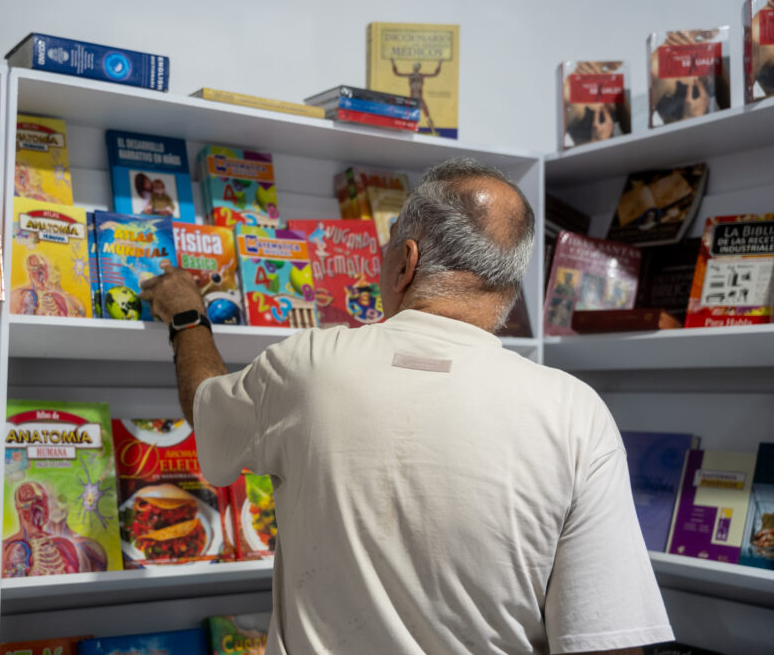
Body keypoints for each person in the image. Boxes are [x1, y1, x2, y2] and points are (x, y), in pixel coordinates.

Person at [140, 158, 673, 654]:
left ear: (406, 262)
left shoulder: (307, 366)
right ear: (509, 288)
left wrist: (187, 316)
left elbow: (207, 410)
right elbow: (609, 636)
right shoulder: (576, 411)